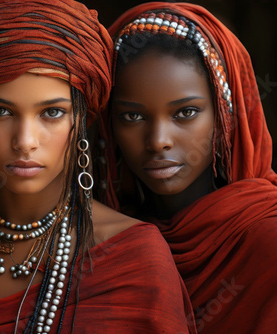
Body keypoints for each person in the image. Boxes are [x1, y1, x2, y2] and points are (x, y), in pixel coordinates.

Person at [0, 0, 196, 333]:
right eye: (1, 112)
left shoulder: (133, 258)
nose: (25, 140)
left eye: (52, 113)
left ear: (82, 120)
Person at [97, 2, 277, 333]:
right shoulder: (103, 243)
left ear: (225, 115)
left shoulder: (267, 241)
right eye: (132, 116)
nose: (158, 141)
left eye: (185, 112)